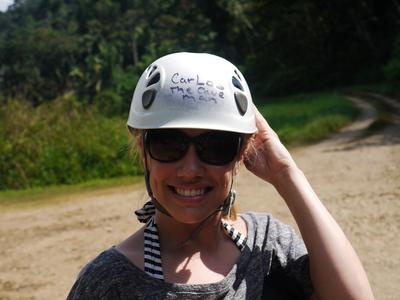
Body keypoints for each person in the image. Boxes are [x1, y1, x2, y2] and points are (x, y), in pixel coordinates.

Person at [67, 52, 374, 299]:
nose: (190, 170)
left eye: (216, 146)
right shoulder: (110, 282)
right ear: (143, 150)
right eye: (168, 144)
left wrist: (286, 174)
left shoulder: (268, 247)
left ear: (241, 154)